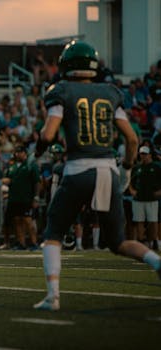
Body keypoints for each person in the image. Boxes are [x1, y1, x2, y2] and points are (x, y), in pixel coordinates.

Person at [34, 40, 161, 311]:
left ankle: (53, 296)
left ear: (66, 64)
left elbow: (48, 133)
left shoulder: (62, 91)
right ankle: (157, 262)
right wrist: (126, 168)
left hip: (79, 168)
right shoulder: (110, 92)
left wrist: (39, 147)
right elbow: (131, 139)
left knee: (53, 232)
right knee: (118, 241)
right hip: (108, 169)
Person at [2, 146, 40, 251]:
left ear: (24, 153)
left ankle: (34, 242)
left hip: (26, 197)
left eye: (20, 152)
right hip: (14, 197)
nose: (18, 154)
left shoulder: (30, 165)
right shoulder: (12, 166)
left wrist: (36, 197)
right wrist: (6, 181)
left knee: (28, 220)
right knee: (17, 220)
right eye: (16, 152)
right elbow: (8, 180)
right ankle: (21, 243)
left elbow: (37, 182)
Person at [129, 145, 161, 248]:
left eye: (145, 154)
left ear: (150, 155)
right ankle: (141, 240)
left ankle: (154, 240)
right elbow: (130, 180)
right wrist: (132, 190)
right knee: (139, 220)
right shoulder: (137, 168)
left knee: (153, 220)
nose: (143, 156)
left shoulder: (156, 167)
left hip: (152, 198)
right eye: (141, 154)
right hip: (138, 198)